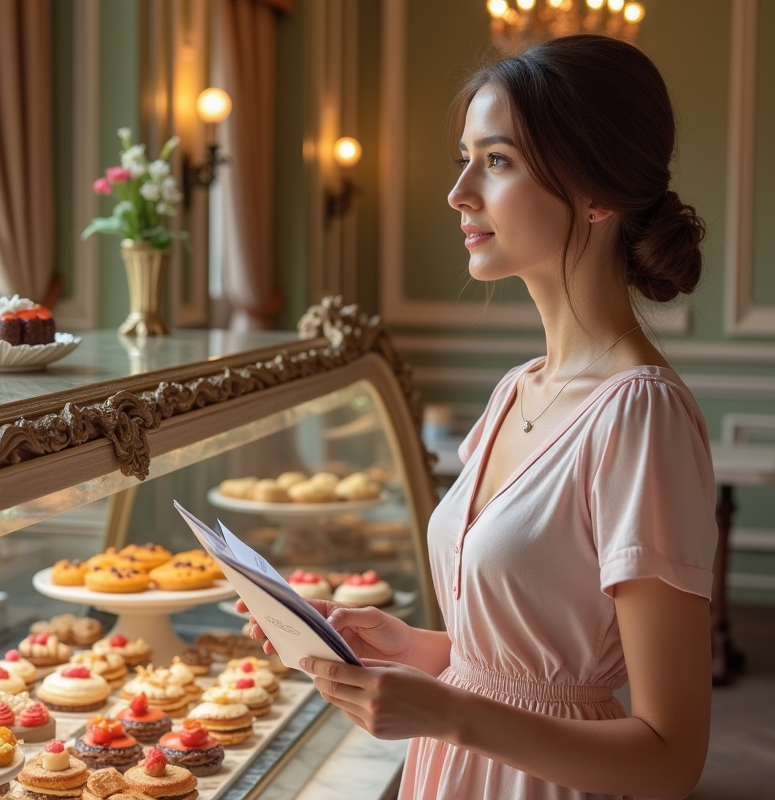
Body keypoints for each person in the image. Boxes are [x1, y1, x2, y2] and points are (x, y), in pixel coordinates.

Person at [243, 34, 717, 800]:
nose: (460, 191)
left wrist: (452, 714)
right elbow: (521, 671)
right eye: (464, 158)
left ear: (598, 193)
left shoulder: (640, 416)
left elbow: (669, 759)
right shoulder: (516, 390)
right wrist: (410, 650)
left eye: (496, 161)